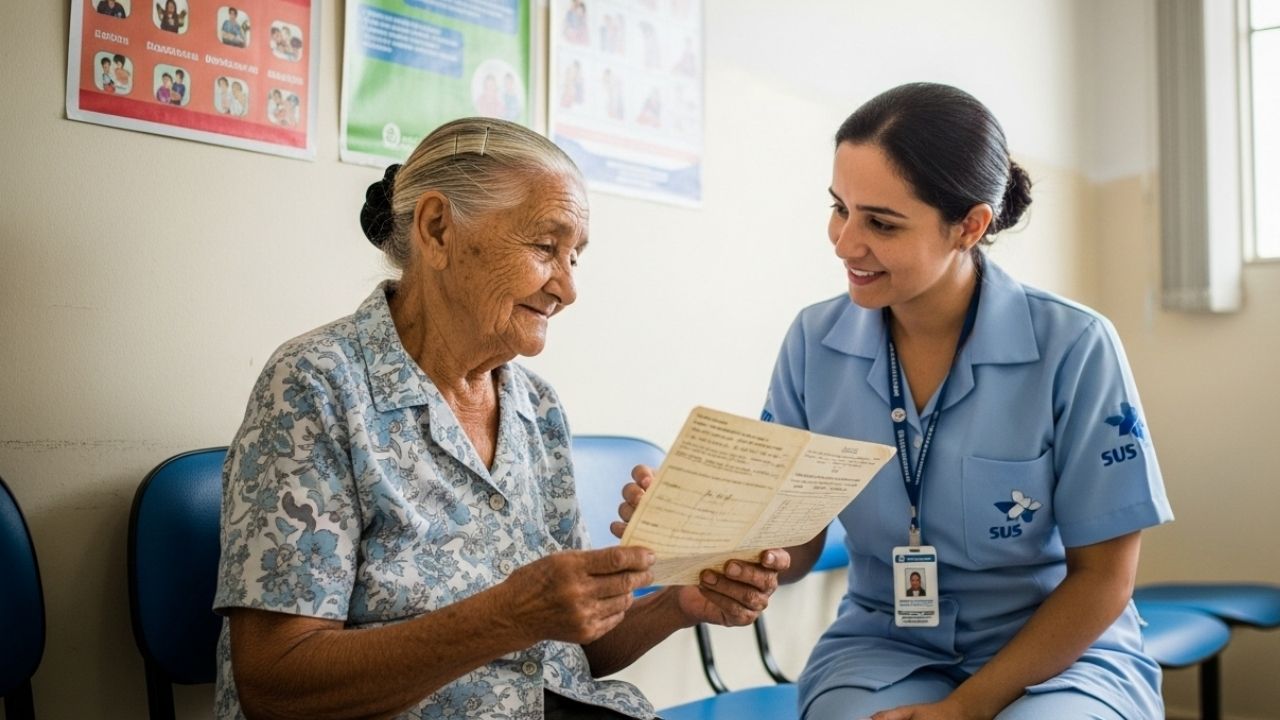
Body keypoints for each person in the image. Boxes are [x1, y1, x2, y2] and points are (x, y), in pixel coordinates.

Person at [619, 83, 1173, 719]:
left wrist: (965, 708)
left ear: (970, 225)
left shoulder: (1075, 346)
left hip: (1058, 650)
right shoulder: (813, 342)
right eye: (839, 209)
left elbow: (1105, 578)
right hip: (885, 645)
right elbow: (795, 547)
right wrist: (711, 531)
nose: (844, 243)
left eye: (880, 222)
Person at [213, 117, 791, 720]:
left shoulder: (535, 407)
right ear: (438, 229)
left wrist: (677, 603)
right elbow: (275, 683)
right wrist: (504, 618)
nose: (567, 289)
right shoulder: (316, 385)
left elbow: (569, 657)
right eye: (545, 248)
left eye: (576, 256)